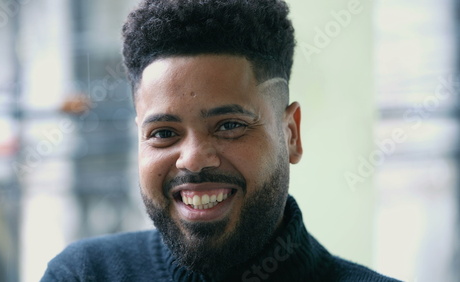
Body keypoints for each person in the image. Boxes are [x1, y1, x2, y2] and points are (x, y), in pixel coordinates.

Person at [42, 0, 400, 281]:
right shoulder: (83, 274)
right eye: (164, 133)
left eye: (229, 125)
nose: (194, 159)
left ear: (290, 134)